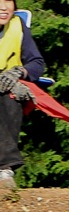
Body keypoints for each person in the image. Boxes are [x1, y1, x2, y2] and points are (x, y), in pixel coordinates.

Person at [0, 0, 45, 189]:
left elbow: (36, 62)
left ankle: (4, 170)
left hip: (7, 84)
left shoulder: (18, 27)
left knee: (12, 98)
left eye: (8, 3)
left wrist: (20, 72)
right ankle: (6, 162)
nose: (4, 8)